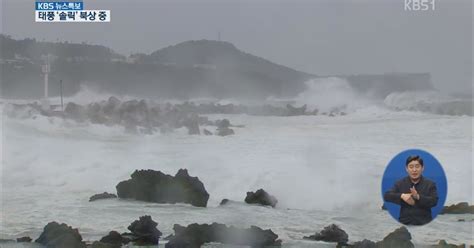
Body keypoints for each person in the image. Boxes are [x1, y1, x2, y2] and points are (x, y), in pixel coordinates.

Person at [384, 155, 439, 225]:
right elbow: (387, 196)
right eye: (411, 167)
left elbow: (434, 201)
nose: (414, 170)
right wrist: (402, 195)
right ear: (406, 169)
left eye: (417, 166)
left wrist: (417, 197)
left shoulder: (430, 184)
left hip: (425, 223)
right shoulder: (400, 183)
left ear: (422, 168)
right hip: (404, 223)